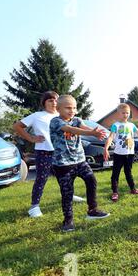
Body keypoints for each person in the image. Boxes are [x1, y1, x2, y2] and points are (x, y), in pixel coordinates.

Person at [13, 91, 85, 218]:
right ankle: (34, 206)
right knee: (41, 178)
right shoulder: (37, 116)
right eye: (50, 100)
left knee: (67, 177)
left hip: (62, 153)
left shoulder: (62, 116)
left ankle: (69, 195)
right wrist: (31, 138)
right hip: (44, 152)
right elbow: (17, 126)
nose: (54, 102)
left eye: (56, 100)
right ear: (44, 102)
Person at [50, 95, 110, 232]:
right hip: (63, 164)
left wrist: (96, 131)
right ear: (58, 109)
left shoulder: (77, 119)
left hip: (80, 160)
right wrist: (91, 133)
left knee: (91, 180)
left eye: (74, 108)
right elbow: (71, 130)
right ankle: (68, 220)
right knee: (67, 192)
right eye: (68, 108)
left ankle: (92, 210)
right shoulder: (55, 121)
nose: (72, 110)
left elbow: (83, 126)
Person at [103, 103, 138, 202]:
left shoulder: (132, 125)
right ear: (118, 114)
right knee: (115, 174)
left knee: (128, 172)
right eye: (123, 113)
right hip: (119, 154)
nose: (125, 115)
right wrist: (106, 148)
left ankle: (133, 189)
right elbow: (110, 137)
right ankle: (115, 192)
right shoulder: (116, 125)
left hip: (129, 153)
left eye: (127, 113)